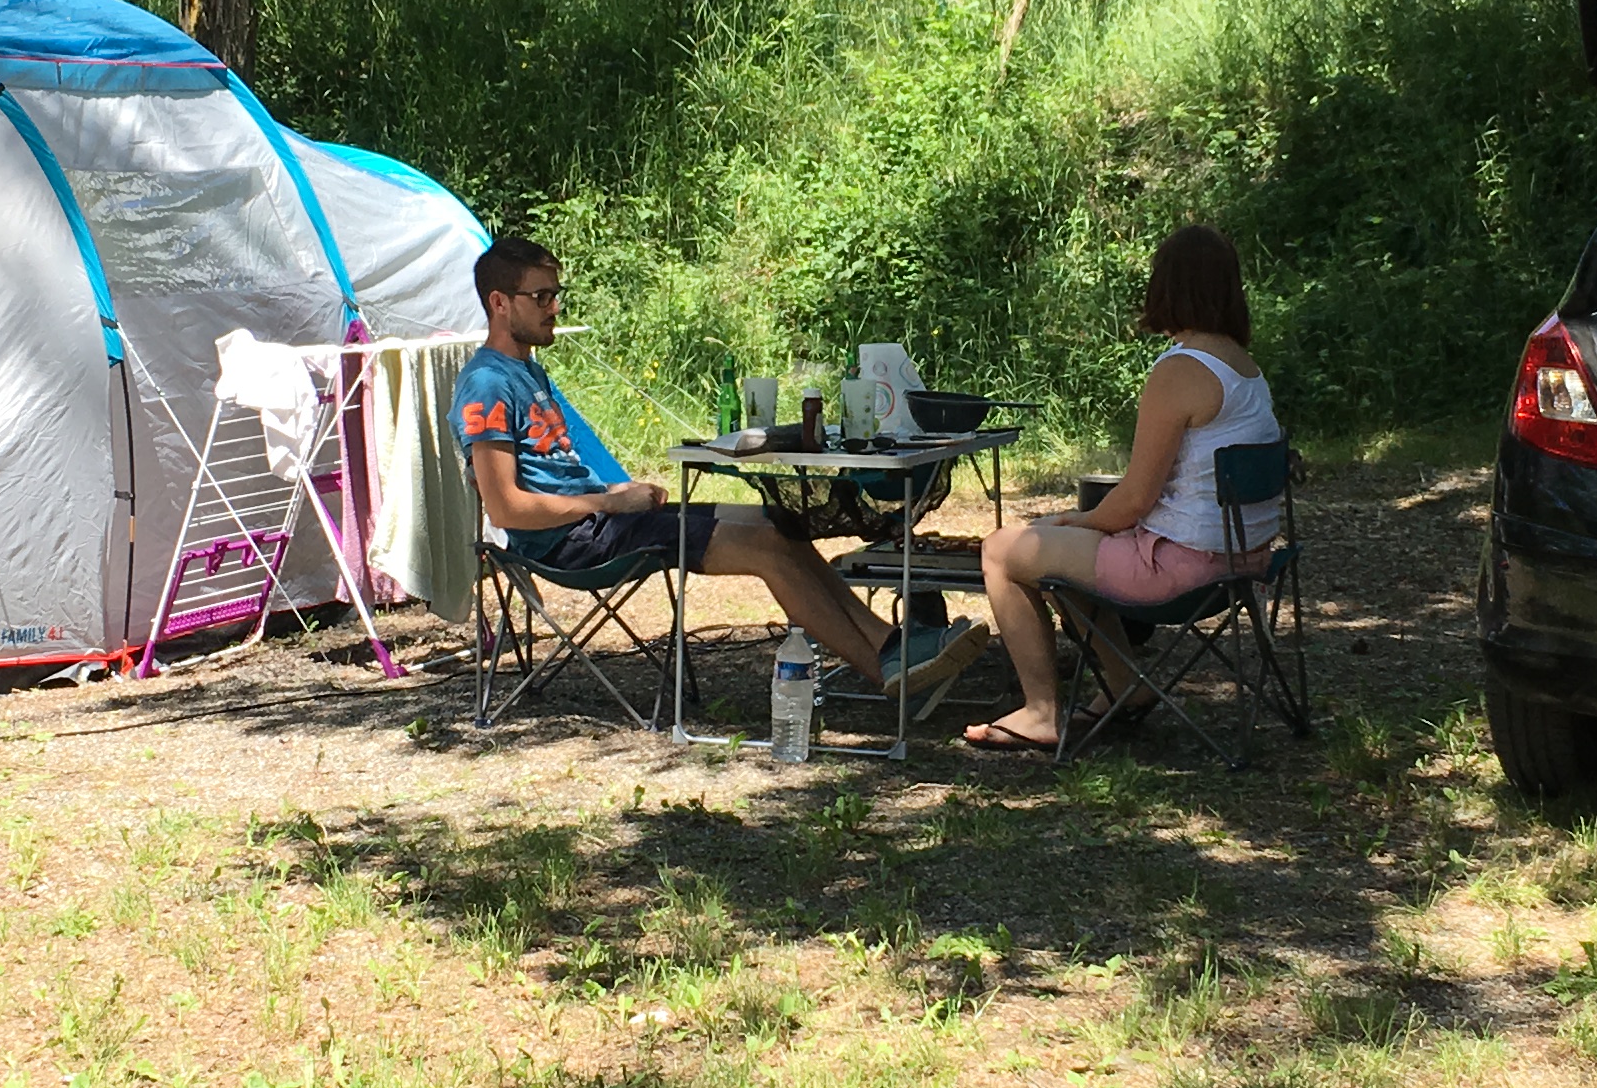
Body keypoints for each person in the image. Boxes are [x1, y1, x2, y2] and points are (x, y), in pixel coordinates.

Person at [457, 236, 987, 699]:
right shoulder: (487, 383)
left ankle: (894, 648)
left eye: (556, 295)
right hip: (569, 543)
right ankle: (885, 672)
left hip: (597, 523)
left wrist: (615, 489)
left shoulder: (527, 371)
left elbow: (552, 472)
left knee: (780, 522)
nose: (554, 308)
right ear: (500, 303)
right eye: (541, 297)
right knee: (765, 549)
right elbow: (507, 508)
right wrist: (609, 501)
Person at [963, 223, 1284, 754]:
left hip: (1182, 569)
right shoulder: (1245, 369)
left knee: (1001, 549)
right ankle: (1124, 685)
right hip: (1245, 559)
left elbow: (1135, 500)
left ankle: (1041, 712)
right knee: (1071, 554)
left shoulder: (1182, 369)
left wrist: (1074, 521)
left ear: (1167, 288)